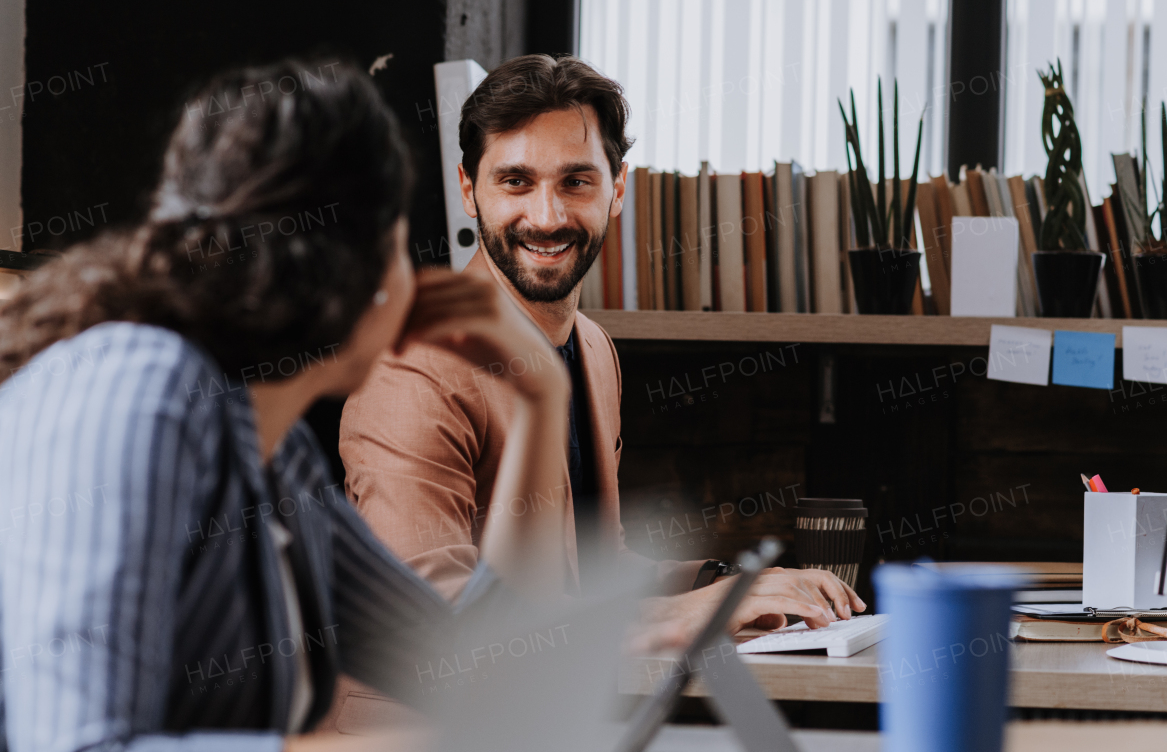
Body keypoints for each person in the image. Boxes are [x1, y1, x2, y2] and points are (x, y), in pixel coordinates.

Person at [0, 60, 586, 752]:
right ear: (353, 267)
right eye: (402, 245)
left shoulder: (278, 457)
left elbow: (472, 673)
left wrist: (542, 395)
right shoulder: (137, 388)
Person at [332, 55, 863, 704]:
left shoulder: (591, 347)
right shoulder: (413, 367)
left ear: (617, 189)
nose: (547, 215)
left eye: (576, 181)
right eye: (516, 182)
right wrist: (703, 607)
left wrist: (730, 579)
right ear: (470, 190)